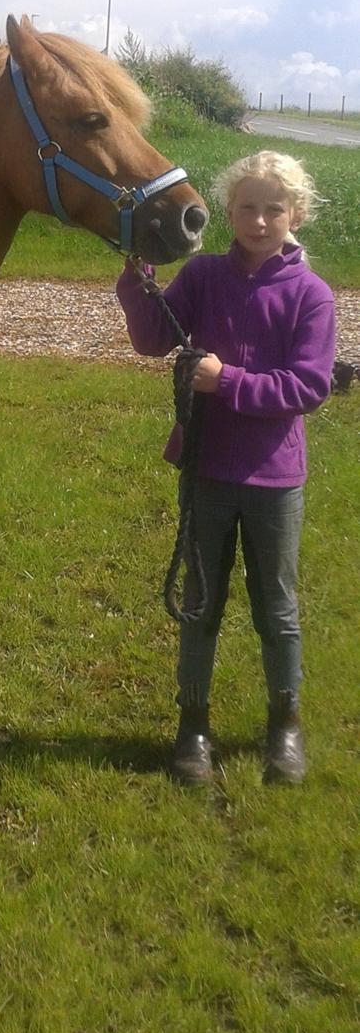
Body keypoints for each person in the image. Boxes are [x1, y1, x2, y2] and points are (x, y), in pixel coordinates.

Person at [116, 150, 336, 787]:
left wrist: (227, 380)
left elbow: (308, 387)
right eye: (247, 207)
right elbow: (155, 337)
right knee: (199, 604)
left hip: (274, 478)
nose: (260, 220)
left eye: (274, 209)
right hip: (207, 470)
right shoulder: (205, 275)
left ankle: (284, 727)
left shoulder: (312, 295)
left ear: (296, 213)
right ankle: (193, 727)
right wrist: (139, 280)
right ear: (230, 211)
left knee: (277, 608)